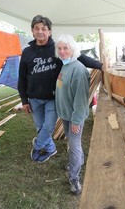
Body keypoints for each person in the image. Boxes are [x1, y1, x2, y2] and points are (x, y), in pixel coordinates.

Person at [17, 15, 102, 163]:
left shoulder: (57, 48)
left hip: (52, 98)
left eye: (44, 28)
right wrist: (24, 100)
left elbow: (80, 57)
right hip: (34, 98)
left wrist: (100, 65)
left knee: (48, 127)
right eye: (37, 28)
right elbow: (22, 78)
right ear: (32, 31)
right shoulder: (27, 52)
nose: (40, 31)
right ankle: (50, 148)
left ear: (49, 31)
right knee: (40, 127)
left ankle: (37, 145)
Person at [55, 34, 90, 195]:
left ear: (72, 49)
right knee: (72, 143)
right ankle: (79, 161)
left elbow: (81, 100)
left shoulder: (79, 70)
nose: (62, 51)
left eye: (65, 48)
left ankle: (74, 178)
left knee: (74, 146)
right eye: (59, 48)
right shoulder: (65, 65)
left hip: (74, 117)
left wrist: (77, 121)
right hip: (66, 115)